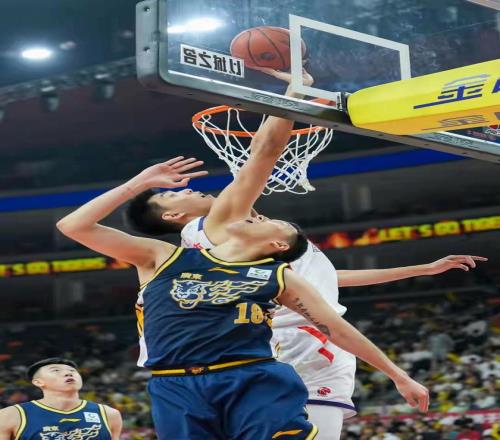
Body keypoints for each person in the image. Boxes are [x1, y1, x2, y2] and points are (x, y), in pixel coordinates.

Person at [124, 70, 487, 439]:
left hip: (286, 342)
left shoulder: (215, 248)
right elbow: (265, 151)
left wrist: (420, 269)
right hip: (299, 342)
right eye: (172, 195)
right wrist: (294, 92)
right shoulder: (219, 223)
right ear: (172, 216)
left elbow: (320, 279)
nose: (188, 189)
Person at [56, 155, 429, 440]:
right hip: (176, 382)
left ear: (277, 247)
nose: (257, 216)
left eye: (269, 222)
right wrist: (140, 182)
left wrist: (399, 376)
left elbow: (337, 327)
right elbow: (73, 226)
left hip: (250, 375)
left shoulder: (276, 276)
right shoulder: (165, 256)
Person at [0, 358, 122, 440]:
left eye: (72, 371)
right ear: (38, 382)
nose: (68, 373)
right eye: (56, 371)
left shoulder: (109, 414)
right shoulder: (10, 415)